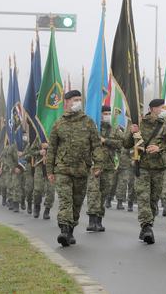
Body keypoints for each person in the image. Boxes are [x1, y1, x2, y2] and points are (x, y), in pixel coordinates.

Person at [45, 90, 103, 247]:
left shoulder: (88, 122)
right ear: (67, 102)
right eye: (75, 100)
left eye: (79, 99)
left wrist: (98, 165)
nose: (78, 102)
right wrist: (49, 171)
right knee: (65, 201)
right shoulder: (59, 124)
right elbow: (52, 150)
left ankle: (70, 229)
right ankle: (64, 230)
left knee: (77, 203)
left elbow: (96, 145)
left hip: (81, 170)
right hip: (62, 170)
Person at [124, 98, 166, 244]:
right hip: (143, 166)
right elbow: (126, 144)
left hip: (159, 167)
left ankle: (148, 225)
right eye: (160, 107)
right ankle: (146, 227)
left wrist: (160, 148)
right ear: (152, 109)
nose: (163, 110)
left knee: (153, 200)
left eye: (164, 107)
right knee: (143, 197)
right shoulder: (140, 123)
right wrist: (131, 132)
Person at [86, 105, 123, 233]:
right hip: (94, 165)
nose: (106, 115)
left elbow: (121, 144)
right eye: (104, 113)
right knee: (93, 192)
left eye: (108, 113)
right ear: (99, 114)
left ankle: (99, 220)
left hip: (108, 165)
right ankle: (91, 220)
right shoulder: (92, 128)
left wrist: (106, 141)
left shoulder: (115, 129)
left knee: (103, 193)